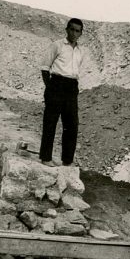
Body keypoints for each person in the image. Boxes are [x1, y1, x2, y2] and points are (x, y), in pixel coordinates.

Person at [39, 18, 86, 167]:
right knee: (50, 122)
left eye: (77, 31)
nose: (74, 33)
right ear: (66, 29)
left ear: (81, 33)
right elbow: (45, 67)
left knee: (71, 124)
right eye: (71, 29)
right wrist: (50, 87)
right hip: (56, 84)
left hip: (72, 87)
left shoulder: (81, 51)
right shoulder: (57, 45)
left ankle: (67, 160)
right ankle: (45, 158)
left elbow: (76, 71)